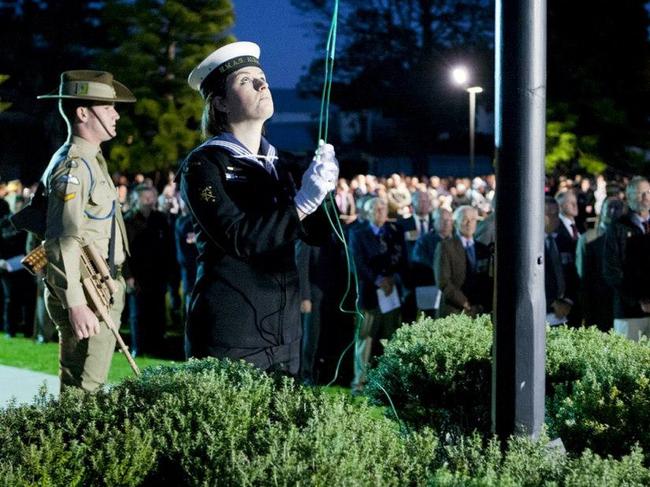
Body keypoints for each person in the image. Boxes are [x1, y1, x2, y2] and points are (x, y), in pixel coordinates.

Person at [179, 41, 339, 375]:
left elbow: (320, 236)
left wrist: (324, 192)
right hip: (232, 330)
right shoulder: (205, 165)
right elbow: (239, 237)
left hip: (285, 327)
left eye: (262, 77)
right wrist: (302, 204)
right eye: (245, 80)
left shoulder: (282, 163)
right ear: (220, 103)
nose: (261, 84)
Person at [38, 70, 134, 391]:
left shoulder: (93, 161)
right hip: (87, 292)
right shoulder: (74, 166)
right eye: (108, 107)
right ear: (83, 113)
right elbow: (61, 239)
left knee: (89, 387)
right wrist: (76, 305)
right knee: (83, 391)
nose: (115, 114)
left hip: (102, 286)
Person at [349, 197, 407, 393]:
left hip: (391, 294)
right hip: (370, 294)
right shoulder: (358, 234)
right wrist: (378, 280)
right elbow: (357, 262)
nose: (380, 211)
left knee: (391, 337)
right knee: (365, 338)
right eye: (376, 208)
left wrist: (392, 279)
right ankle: (359, 382)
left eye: (383, 208)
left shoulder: (394, 232)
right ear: (368, 213)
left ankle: (389, 382)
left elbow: (402, 259)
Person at [603, 176, 650, 341]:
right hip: (629, 313)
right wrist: (639, 300)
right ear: (628, 197)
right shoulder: (617, 228)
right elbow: (611, 271)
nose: (646, 198)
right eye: (640, 194)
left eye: (648, 192)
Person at [434, 205, 492, 317]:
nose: (469, 223)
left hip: (478, 311)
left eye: (473, 219)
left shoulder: (483, 249)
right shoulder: (445, 247)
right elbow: (443, 281)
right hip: (453, 311)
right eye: (465, 219)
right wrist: (465, 303)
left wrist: (480, 305)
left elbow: (486, 280)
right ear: (455, 223)